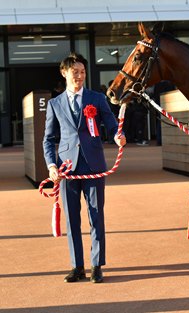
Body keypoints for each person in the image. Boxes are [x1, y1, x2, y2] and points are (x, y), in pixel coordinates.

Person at [43, 52, 126, 283]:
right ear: (64, 73)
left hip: (93, 164)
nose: (79, 76)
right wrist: (51, 165)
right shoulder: (54, 104)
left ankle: (96, 264)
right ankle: (77, 266)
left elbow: (110, 124)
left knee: (96, 215)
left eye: (82, 72)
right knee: (72, 218)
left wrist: (118, 135)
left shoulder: (96, 98)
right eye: (75, 72)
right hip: (67, 168)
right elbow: (48, 139)